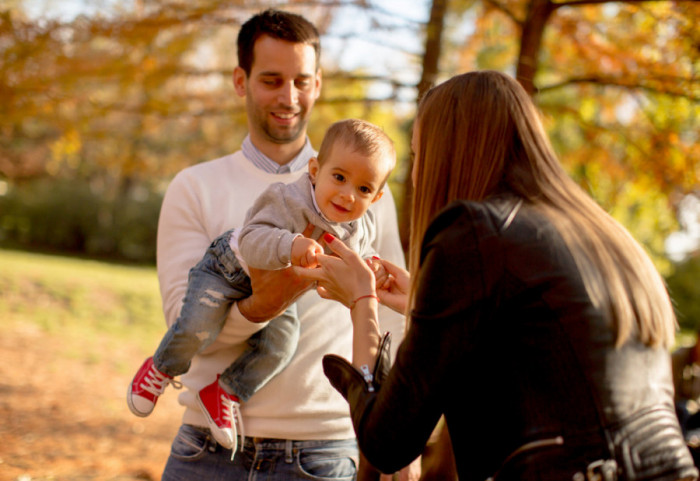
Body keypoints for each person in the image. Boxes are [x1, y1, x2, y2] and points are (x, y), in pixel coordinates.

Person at [299, 70, 698, 480]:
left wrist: (362, 301)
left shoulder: (472, 231)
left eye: (419, 156)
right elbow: (535, 349)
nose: (417, 176)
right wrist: (423, 303)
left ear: (447, 154)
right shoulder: (603, 235)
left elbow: (388, 443)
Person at [152, 9, 406, 480]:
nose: (289, 97)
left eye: (302, 81)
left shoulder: (365, 193)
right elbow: (182, 323)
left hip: (324, 453)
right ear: (240, 80)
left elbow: (389, 317)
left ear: (318, 84)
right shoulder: (194, 187)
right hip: (205, 449)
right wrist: (262, 304)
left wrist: (402, 440)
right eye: (271, 80)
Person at [127, 119, 395, 455]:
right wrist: (291, 245)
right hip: (227, 271)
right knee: (198, 326)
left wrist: (371, 269)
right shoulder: (288, 197)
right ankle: (161, 365)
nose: (347, 195)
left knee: (280, 346)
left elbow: (356, 263)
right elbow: (253, 240)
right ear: (315, 169)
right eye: (339, 178)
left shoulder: (356, 228)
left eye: (364, 189)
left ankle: (224, 392)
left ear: (378, 196)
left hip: (282, 295)